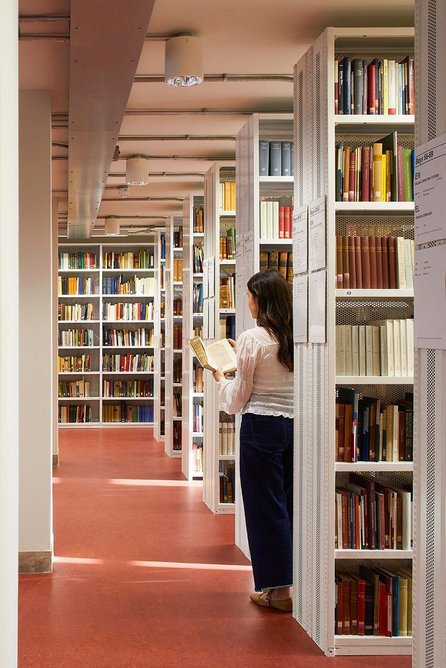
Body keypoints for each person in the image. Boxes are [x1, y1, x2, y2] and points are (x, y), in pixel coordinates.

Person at [212, 269, 294, 612]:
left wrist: (220, 378)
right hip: (293, 427)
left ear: (260, 299)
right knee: (287, 505)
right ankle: (290, 583)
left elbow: (240, 396)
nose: (247, 302)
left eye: (248, 296)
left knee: (264, 510)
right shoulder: (292, 335)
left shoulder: (252, 338)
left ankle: (277, 591)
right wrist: (239, 352)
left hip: (260, 428)